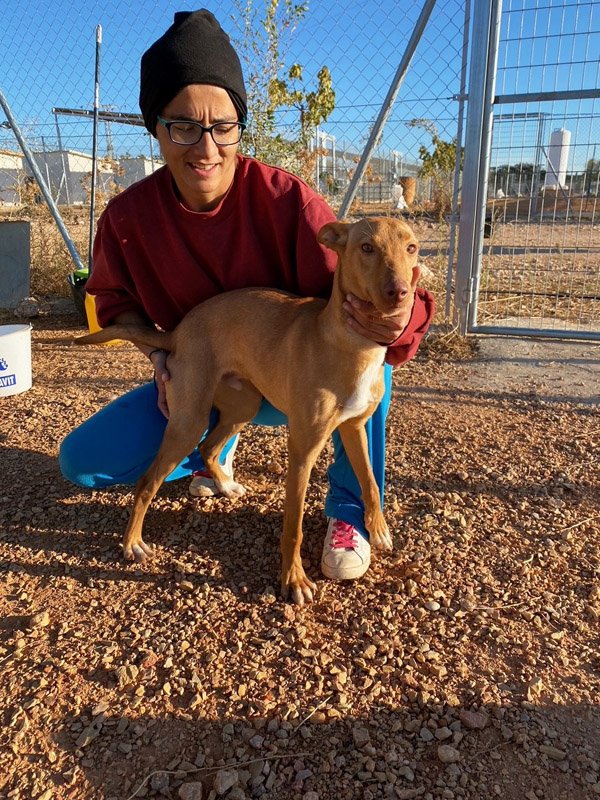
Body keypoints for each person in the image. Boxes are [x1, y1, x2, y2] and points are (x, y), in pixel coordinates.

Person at [59, 9, 435, 583]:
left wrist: (400, 320)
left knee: (369, 370)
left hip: (293, 375)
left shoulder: (289, 202)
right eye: (184, 126)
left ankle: (350, 512)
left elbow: (375, 288)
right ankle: (210, 446)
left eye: (224, 126)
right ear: (155, 128)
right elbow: (111, 302)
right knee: (82, 463)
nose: (206, 147)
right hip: (199, 362)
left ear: (240, 126)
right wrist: (160, 359)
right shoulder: (127, 218)